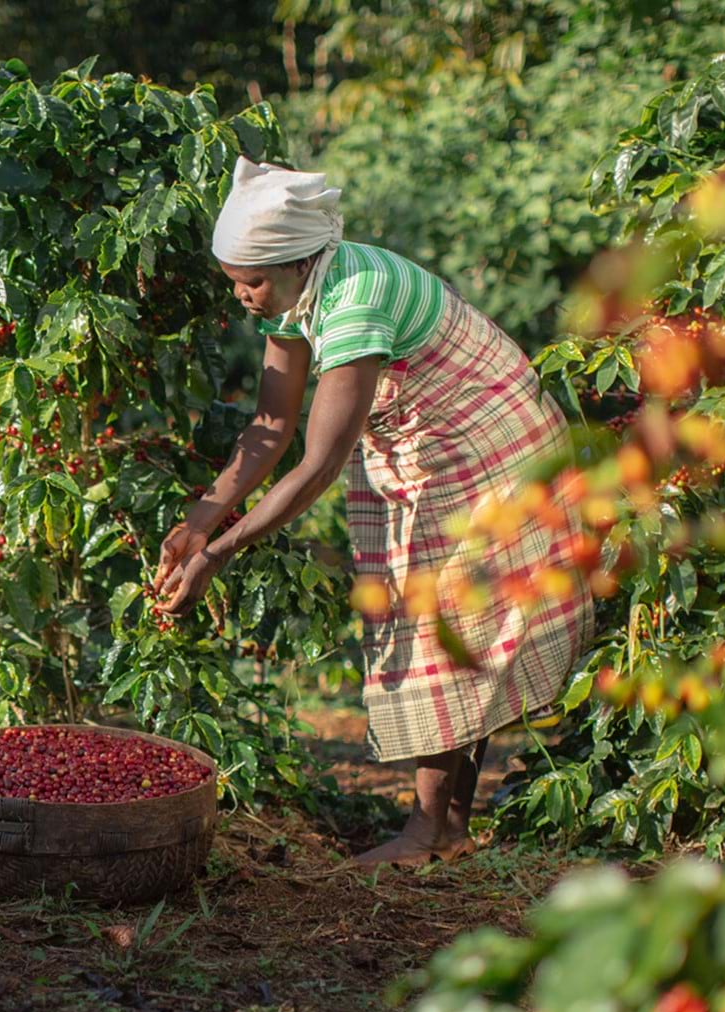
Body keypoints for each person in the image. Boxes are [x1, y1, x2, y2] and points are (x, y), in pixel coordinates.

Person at [152, 157, 594, 867]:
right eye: (233, 280)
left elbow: (318, 463)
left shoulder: (355, 299)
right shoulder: (298, 298)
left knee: (442, 622)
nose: (241, 295)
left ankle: (428, 831)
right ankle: (446, 828)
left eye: (253, 280)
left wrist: (217, 556)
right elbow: (271, 424)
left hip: (492, 448)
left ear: (300, 261)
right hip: (435, 445)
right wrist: (202, 517)